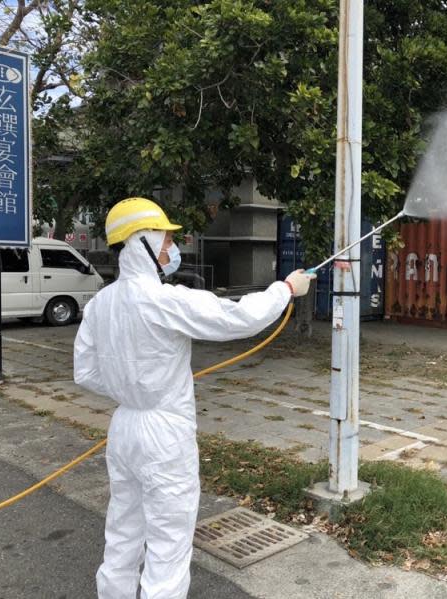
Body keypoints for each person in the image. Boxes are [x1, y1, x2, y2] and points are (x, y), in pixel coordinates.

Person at [73, 197, 314, 599]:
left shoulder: (101, 304)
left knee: (123, 529)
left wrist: (128, 390)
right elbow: (237, 317)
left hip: (125, 427)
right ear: (142, 242)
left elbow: (85, 373)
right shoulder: (164, 300)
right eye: (167, 241)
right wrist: (286, 289)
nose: (172, 250)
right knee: (168, 542)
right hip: (164, 433)